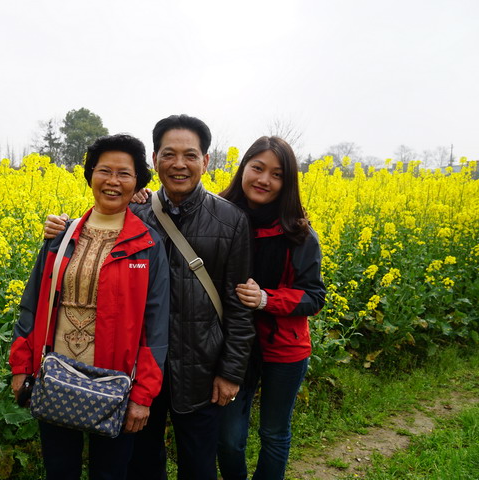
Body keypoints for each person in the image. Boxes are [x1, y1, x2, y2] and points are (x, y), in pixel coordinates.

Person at [44, 115, 255, 480]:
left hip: (201, 370)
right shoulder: (135, 211)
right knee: (141, 466)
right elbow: (90, 240)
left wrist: (230, 372)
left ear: (206, 161)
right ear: (155, 160)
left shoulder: (230, 220)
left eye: (190, 155)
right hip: (137, 369)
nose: (179, 164)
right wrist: (61, 229)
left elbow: (239, 306)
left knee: (199, 466)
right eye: (169, 154)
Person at [10, 133, 171, 480]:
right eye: (104, 171)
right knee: (59, 470)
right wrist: (21, 366)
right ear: (90, 175)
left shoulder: (148, 245)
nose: (113, 181)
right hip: (56, 377)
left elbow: (155, 328)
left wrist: (143, 396)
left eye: (124, 173)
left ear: (138, 183)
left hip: (116, 386)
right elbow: (32, 303)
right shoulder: (61, 236)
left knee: (110, 473)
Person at [216, 136, 326, 480]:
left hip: (284, 348)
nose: (264, 179)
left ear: (287, 182)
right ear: (243, 168)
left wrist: (266, 299)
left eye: (277, 174)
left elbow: (314, 296)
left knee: (274, 433)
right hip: (234, 348)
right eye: (258, 168)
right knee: (228, 439)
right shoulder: (217, 217)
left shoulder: (299, 233)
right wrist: (143, 197)